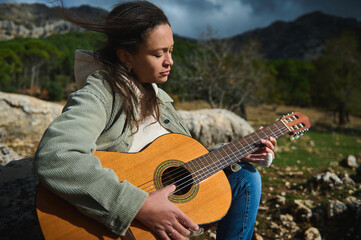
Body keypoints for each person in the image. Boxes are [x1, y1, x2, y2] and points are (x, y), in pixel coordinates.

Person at [34, 1, 276, 239]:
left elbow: (181, 163)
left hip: (165, 206)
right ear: (126, 57)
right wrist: (138, 206)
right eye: (158, 53)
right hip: (115, 221)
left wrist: (236, 152)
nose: (170, 61)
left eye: (171, 51)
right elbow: (56, 156)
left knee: (244, 176)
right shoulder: (100, 94)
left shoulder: (159, 98)